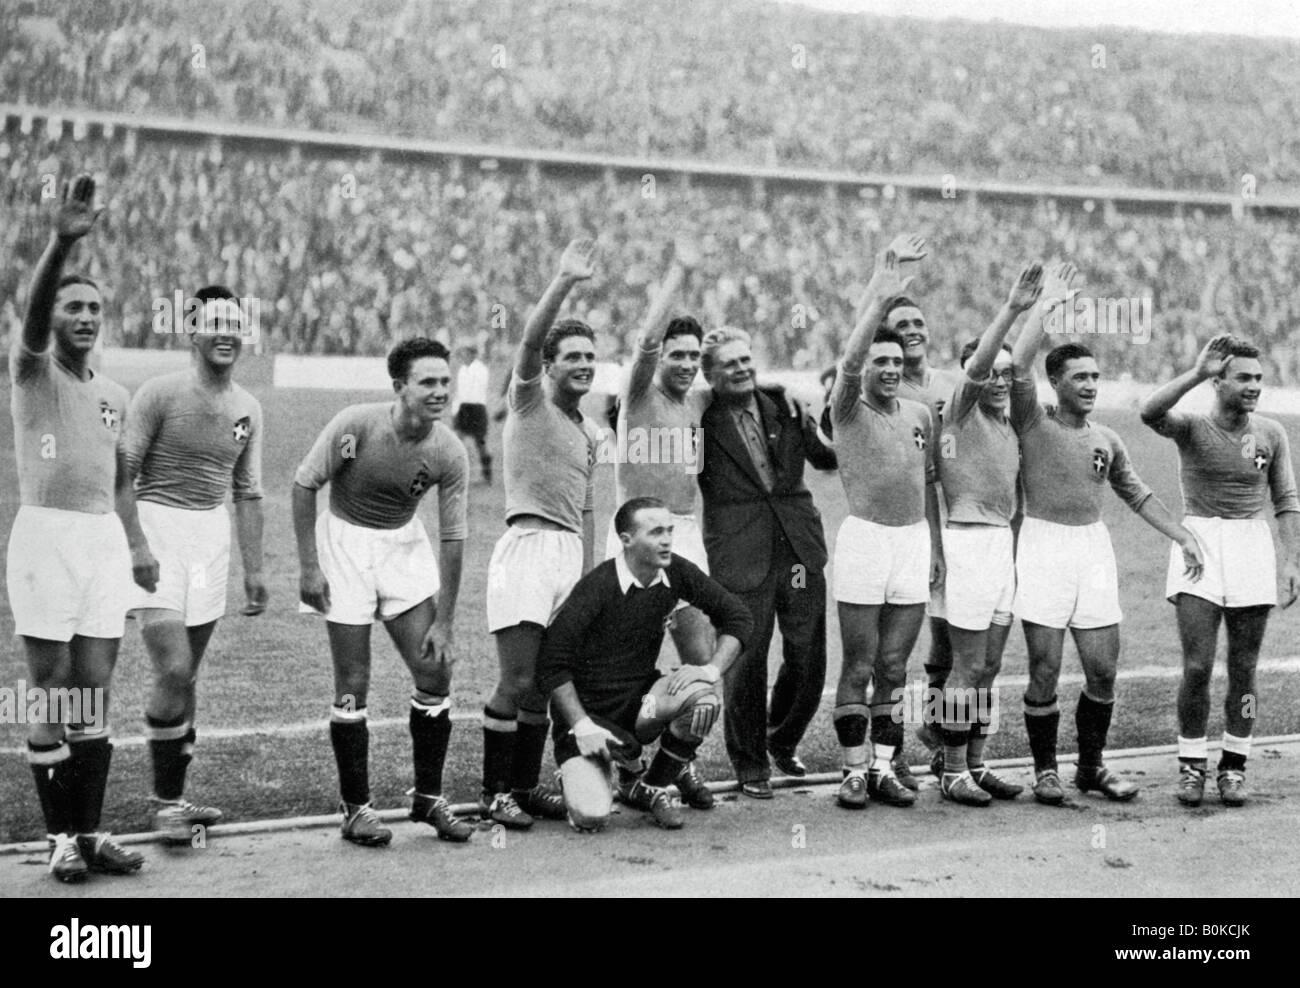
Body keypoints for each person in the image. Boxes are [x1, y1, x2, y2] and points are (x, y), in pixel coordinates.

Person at [8, 173, 159, 881]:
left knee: (95, 692)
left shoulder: (113, 395)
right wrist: (61, 245)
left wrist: (135, 543)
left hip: (100, 540)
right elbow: (33, 318)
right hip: (45, 537)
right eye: (73, 305)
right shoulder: (34, 371)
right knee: (53, 690)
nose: (84, 316)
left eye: (93, 307)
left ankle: (90, 832)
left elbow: (121, 478)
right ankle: (58, 838)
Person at [1009, 269, 1204, 805]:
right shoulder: (1032, 421)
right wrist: (1045, 307)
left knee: (1103, 669)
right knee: (1044, 668)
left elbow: (1137, 494)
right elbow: (1017, 365)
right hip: (1044, 545)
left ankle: (1091, 768)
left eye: (1095, 376)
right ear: (1057, 383)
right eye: (1079, 377)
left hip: (1092, 550)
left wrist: (1181, 534)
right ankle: (1045, 770)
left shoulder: (1108, 438)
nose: (1091, 384)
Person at [293, 338, 472, 845]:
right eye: (428, 382)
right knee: (353, 679)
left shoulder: (448, 451)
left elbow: (454, 535)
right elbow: (304, 484)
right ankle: (355, 809)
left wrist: (446, 619)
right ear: (400, 387)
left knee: (435, 669)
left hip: (402, 547)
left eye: (445, 381)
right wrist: (309, 566)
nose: (440, 391)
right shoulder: (355, 426)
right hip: (345, 544)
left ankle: (429, 799)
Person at [125, 285, 267, 843]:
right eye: (216, 321)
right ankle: (164, 807)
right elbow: (126, 470)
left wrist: (255, 570)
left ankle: (177, 799)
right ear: (193, 332)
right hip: (157, 528)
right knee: (174, 668)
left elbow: (248, 492)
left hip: (210, 538)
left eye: (236, 321)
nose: (227, 331)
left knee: (189, 677)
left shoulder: (248, 408)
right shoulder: (159, 394)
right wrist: (135, 545)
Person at [1138, 334, 1300, 807]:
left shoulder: (1271, 433)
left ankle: (1235, 763)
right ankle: (1191, 764)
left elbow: (1286, 500)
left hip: (1251, 544)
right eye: (1243, 378)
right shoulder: (1191, 426)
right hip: (1200, 544)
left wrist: (1292, 560)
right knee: (1197, 665)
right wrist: (1195, 372)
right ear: (1219, 381)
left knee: (1245, 669)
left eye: (1258, 379)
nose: (1253, 387)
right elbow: (1149, 413)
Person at [537, 497, 753, 831]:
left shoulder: (677, 572)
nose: (667, 539)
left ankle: (648, 785)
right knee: (591, 817)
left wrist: (710, 670)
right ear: (626, 540)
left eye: (669, 530)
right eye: (655, 532)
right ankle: (588, 771)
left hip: (642, 706)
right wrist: (581, 726)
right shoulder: (598, 586)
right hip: (589, 718)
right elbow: (551, 662)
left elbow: (738, 616)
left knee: (702, 699)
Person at [482, 238, 602, 828]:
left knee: (547, 686)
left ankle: (526, 788)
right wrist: (564, 280)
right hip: (526, 548)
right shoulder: (529, 402)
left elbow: (586, 509)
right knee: (518, 678)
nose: (583, 364)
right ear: (551, 367)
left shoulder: (588, 432)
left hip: (567, 556)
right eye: (572, 356)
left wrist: (593, 572)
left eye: (590, 356)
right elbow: (529, 339)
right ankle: (493, 792)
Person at [826, 235, 942, 809]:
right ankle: (850, 771)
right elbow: (848, 360)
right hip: (866, 540)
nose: (892, 369)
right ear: (865, 368)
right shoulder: (848, 409)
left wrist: (936, 544)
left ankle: (882, 766)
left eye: (898, 361)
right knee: (860, 662)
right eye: (881, 362)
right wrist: (880, 291)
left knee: (895, 666)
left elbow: (929, 483)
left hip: (912, 542)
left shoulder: (921, 414)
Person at [697, 325, 836, 798]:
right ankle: (750, 763)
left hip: (797, 547)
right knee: (746, 659)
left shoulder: (785, 405)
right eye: (729, 364)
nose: (741, 369)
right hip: (740, 552)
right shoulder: (700, 417)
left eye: (745, 359)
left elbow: (827, 459)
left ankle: (782, 738)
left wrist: (823, 409)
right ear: (709, 375)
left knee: (807, 652)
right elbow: (629, 411)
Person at [931, 262, 1044, 806]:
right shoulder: (960, 411)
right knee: (967, 664)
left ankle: (976, 762)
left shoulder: (1008, 422)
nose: (1000, 379)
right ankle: (951, 770)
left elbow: (1017, 362)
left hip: (1001, 546)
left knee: (992, 665)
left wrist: (1047, 308)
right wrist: (1013, 308)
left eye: (1007, 374)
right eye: (990, 373)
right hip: (969, 542)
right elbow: (981, 368)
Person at [452, 342, 492, 483]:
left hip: (476, 407)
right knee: (458, 440)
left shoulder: (480, 369)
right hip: (464, 408)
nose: (463, 356)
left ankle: (487, 473)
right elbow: (460, 391)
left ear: (472, 354)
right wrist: (455, 409)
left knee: (480, 442)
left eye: (466, 353)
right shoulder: (462, 370)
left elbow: (476, 391)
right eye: (462, 353)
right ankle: (458, 474)